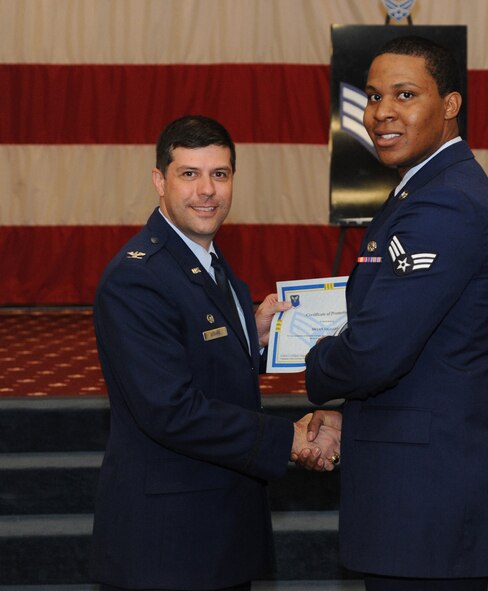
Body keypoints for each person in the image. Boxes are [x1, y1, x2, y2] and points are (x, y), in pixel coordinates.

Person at [304, 36, 488, 590]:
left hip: (427, 499)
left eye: (405, 95)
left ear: (451, 105)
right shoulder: (426, 188)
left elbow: (376, 350)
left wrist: (312, 359)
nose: (383, 112)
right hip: (430, 485)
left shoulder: (443, 201)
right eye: (375, 96)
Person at [91, 115, 341, 591]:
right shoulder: (137, 278)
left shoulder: (210, 264)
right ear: (159, 181)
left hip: (215, 529)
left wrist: (254, 334)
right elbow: (171, 410)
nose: (206, 190)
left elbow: (200, 356)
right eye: (189, 174)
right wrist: (286, 438)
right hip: (168, 544)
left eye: (219, 174)